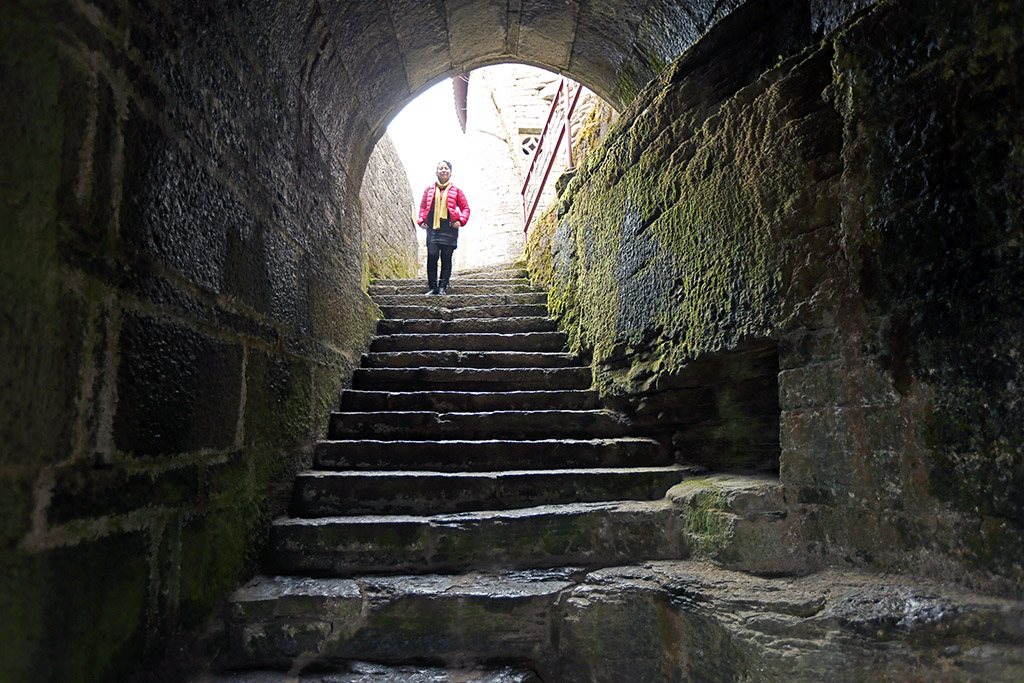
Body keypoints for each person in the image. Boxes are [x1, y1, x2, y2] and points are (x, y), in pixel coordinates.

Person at [417, 160, 470, 295]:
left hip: (449, 227)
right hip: (433, 227)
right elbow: (423, 207)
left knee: (446, 257)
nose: (443, 170)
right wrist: (421, 220)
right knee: (432, 255)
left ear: (450, 172)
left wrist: (461, 221)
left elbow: (465, 208)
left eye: (446, 168)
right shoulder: (429, 190)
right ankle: (433, 287)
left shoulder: (457, 191)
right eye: (441, 168)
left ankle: (442, 287)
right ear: (437, 172)